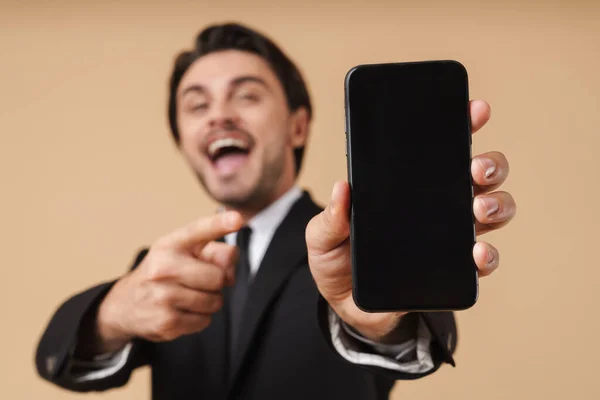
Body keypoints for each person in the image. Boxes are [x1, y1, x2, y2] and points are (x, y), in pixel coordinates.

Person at [34, 22, 516, 399]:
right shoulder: (162, 273)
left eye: (246, 95)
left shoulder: (357, 246)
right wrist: (110, 315)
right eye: (196, 104)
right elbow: (57, 362)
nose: (219, 115)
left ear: (298, 126)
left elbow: (422, 336)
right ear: (182, 140)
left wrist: (376, 315)